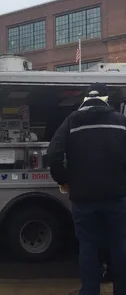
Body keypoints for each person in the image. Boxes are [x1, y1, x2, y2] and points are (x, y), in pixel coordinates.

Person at [47, 83, 126, 295]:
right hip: (117, 196)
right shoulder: (121, 122)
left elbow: (52, 155)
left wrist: (64, 180)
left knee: (89, 246)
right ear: (107, 99)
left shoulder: (72, 121)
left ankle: (90, 291)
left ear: (84, 99)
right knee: (120, 245)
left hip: (83, 197)